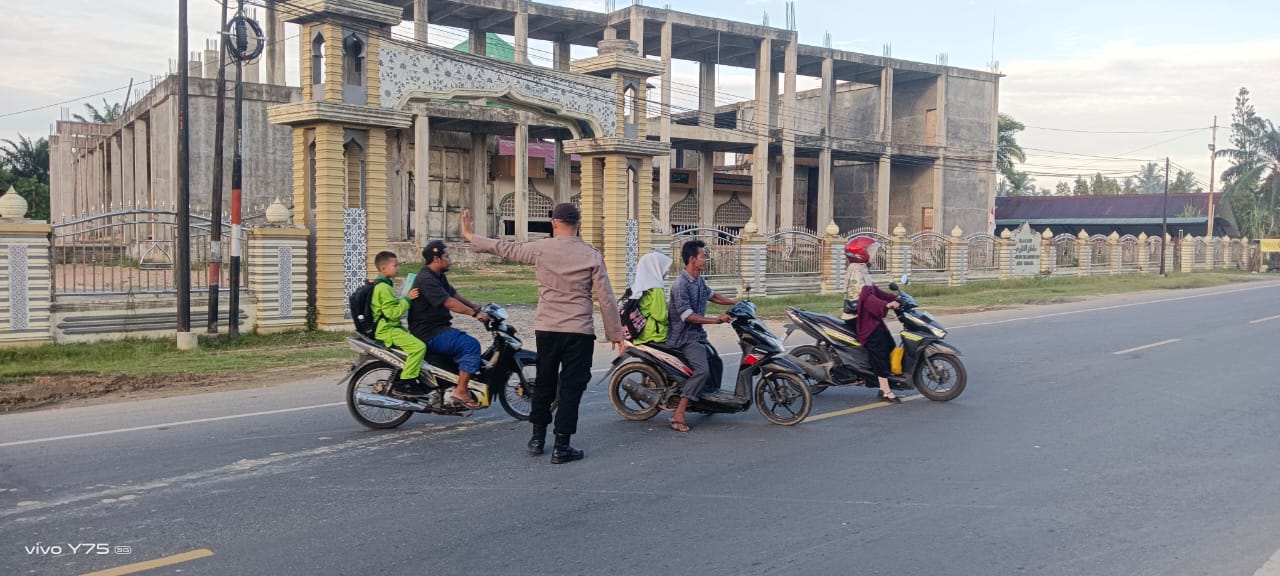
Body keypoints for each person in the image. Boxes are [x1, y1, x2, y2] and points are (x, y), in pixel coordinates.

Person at [460, 203, 625, 464]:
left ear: (554, 224)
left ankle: (537, 439)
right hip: (578, 331)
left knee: (545, 383)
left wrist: (471, 236)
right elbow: (605, 298)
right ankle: (562, 445)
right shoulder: (591, 254)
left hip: (547, 329)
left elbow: (507, 248)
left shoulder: (541, 248)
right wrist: (615, 333)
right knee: (571, 388)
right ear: (578, 224)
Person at [408, 240, 491, 410]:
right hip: (429, 332)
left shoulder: (437, 275)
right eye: (447, 256)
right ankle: (461, 391)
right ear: (436, 259)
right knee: (470, 345)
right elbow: (448, 302)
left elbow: (452, 293)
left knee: (461, 342)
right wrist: (474, 314)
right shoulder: (426, 279)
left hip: (438, 328)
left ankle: (452, 383)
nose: (450, 259)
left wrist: (474, 305)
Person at [665, 240, 737, 432]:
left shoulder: (698, 280)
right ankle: (679, 414)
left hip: (697, 335)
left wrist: (736, 303)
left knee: (716, 363)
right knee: (702, 371)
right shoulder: (681, 285)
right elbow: (687, 316)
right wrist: (715, 320)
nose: (706, 259)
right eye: (703, 256)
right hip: (684, 337)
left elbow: (713, 296)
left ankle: (707, 399)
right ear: (692, 259)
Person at [845, 237, 903, 404]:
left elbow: (874, 291)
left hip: (865, 315)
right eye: (870, 251)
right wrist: (887, 305)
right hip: (857, 317)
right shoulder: (856, 271)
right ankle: (885, 390)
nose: (873, 254)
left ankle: (883, 380)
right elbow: (867, 299)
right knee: (878, 347)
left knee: (888, 342)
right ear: (860, 253)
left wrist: (896, 297)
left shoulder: (862, 269)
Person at [369, 250, 426, 397]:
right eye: (395, 265)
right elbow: (392, 313)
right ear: (383, 268)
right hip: (388, 330)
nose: (398, 268)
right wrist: (408, 300)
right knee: (419, 347)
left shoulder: (384, 285)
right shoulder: (383, 288)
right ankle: (406, 382)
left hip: (391, 328)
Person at [626, 252, 674, 346]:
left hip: (640, 333)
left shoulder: (637, 286)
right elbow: (660, 316)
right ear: (655, 268)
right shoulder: (656, 289)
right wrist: (670, 322)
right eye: (663, 267)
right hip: (654, 334)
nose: (666, 271)